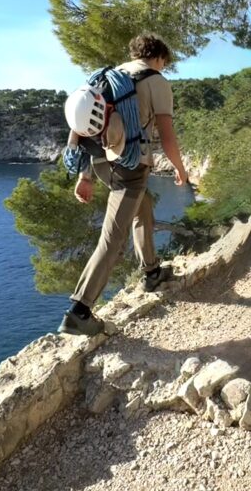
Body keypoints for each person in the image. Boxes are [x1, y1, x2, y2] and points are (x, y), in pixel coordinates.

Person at [58, 34, 188, 337]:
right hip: (131, 164)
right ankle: (80, 310)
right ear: (159, 57)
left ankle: (151, 271)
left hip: (103, 163)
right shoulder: (156, 80)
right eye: (165, 62)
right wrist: (180, 169)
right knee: (113, 236)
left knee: (143, 208)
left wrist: (84, 176)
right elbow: (167, 136)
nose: (164, 66)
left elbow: (86, 128)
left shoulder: (107, 77)